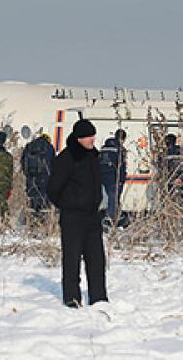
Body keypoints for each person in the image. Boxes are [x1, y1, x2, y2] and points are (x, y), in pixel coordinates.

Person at [48, 119, 108, 308]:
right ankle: (72, 298)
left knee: (97, 259)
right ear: (79, 138)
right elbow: (53, 188)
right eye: (89, 136)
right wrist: (67, 204)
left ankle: (99, 298)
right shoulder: (66, 158)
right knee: (72, 259)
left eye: (93, 136)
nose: (93, 140)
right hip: (72, 217)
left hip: (92, 216)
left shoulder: (93, 157)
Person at [21, 134, 55, 219]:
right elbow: (53, 163)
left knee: (33, 196)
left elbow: (23, 162)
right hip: (44, 176)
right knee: (44, 197)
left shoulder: (29, 146)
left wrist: (27, 174)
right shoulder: (49, 147)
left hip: (31, 176)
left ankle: (32, 218)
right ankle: (43, 220)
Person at [99, 136, 127, 223]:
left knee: (112, 198)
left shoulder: (103, 151)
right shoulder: (118, 151)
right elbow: (121, 166)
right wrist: (122, 179)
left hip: (104, 178)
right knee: (113, 198)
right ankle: (110, 218)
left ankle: (117, 216)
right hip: (114, 178)